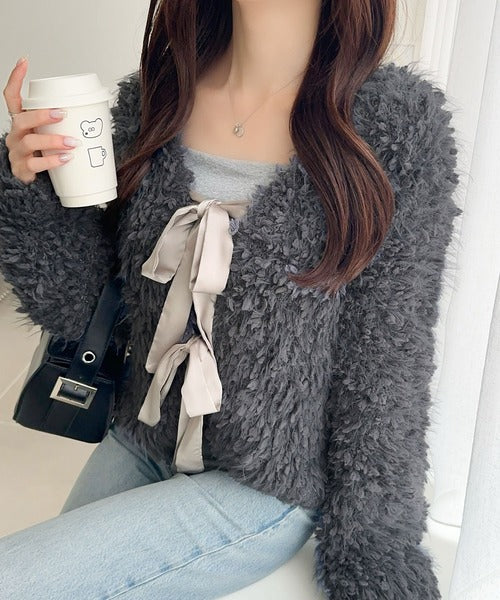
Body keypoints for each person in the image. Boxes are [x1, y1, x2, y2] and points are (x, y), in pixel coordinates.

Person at [0, 1, 462, 599]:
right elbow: (89, 309)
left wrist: (376, 554)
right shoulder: (158, 97)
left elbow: (388, 362)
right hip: (142, 438)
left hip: (263, 484)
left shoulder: (394, 125)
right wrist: (27, 191)